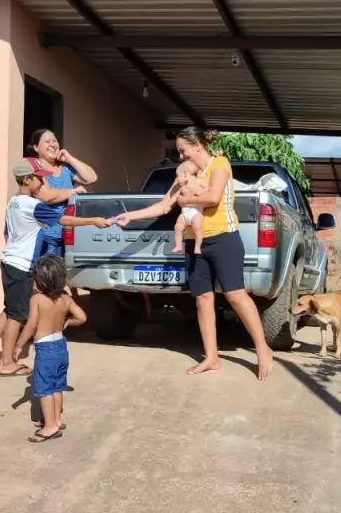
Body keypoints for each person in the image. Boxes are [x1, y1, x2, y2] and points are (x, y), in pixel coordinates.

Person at [115, 127, 273, 381]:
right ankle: (211, 357)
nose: (181, 156)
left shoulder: (219, 164)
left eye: (182, 150)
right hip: (195, 243)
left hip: (224, 239)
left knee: (235, 295)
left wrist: (185, 202)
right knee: (202, 300)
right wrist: (130, 216)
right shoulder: (183, 176)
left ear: (197, 145)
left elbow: (212, 197)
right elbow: (164, 206)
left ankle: (263, 349)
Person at [0, 159, 108, 378]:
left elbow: (7, 232)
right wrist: (93, 220)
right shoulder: (32, 205)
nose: (43, 181)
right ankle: (6, 362)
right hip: (20, 265)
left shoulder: (14, 201)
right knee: (17, 315)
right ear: (27, 179)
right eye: (39, 178)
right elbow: (63, 220)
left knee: (11, 311)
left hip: (9, 261)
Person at [15, 255, 86, 443]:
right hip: (61, 347)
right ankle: (58, 419)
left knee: (44, 388)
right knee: (57, 385)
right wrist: (67, 321)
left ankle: (50, 426)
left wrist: (19, 344)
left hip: (45, 350)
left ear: (39, 281)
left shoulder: (37, 299)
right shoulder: (65, 298)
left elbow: (31, 325)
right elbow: (82, 318)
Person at [27, 129, 97, 256]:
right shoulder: (34, 168)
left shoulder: (65, 169)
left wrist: (69, 158)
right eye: (47, 141)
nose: (53, 144)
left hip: (69, 237)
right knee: (48, 275)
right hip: (47, 238)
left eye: (55, 141)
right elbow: (47, 196)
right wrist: (73, 191)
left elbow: (91, 178)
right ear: (36, 147)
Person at [170, 160, 205, 255]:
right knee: (177, 227)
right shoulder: (182, 187)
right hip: (185, 213)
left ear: (185, 174)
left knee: (197, 228)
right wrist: (169, 206)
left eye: (178, 176)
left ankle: (197, 247)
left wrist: (200, 192)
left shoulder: (199, 181)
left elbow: (208, 189)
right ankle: (178, 245)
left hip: (196, 213)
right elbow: (176, 196)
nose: (176, 179)